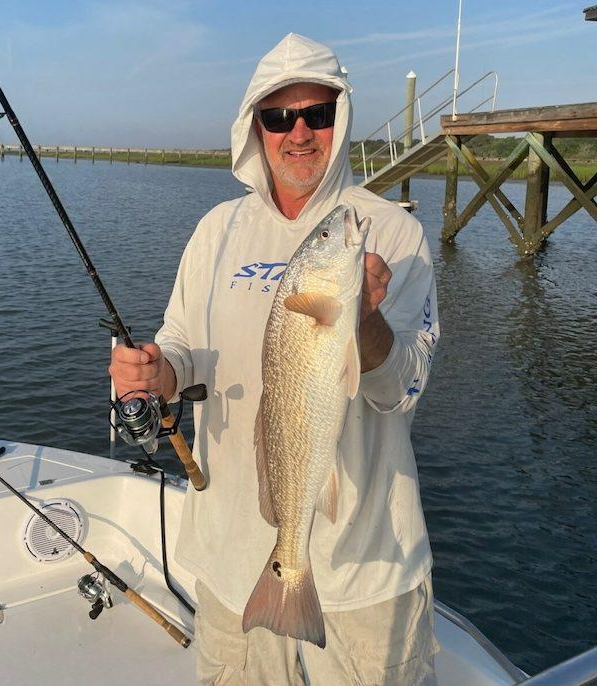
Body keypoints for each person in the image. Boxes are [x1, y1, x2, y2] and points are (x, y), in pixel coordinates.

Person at [110, 33, 440, 686]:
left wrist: (364, 321)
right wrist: (156, 372)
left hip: (365, 573)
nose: (299, 132)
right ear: (254, 126)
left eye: (316, 113)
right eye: (278, 115)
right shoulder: (217, 231)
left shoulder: (393, 234)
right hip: (235, 572)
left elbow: (402, 390)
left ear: (339, 120)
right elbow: (182, 346)